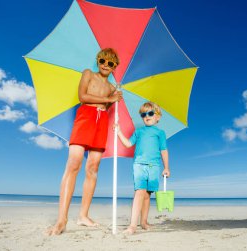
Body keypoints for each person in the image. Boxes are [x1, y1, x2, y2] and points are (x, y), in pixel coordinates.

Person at [47, 48, 123, 235]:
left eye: (111, 63)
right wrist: (109, 98)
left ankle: (83, 216)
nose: (106, 65)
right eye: (103, 60)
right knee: (73, 164)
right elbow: (83, 97)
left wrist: (116, 97)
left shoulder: (114, 88)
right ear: (98, 61)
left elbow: (111, 105)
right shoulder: (88, 73)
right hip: (85, 117)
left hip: (102, 121)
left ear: (115, 67)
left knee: (93, 168)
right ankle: (61, 219)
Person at [115, 102, 170, 234]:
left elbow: (163, 150)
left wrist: (166, 167)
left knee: (147, 195)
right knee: (139, 192)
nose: (147, 116)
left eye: (150, 113)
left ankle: (144, 221)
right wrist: (119, 132)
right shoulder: (139, 132)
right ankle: (133, 225)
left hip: (154, 166)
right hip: (139, 164)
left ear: (158, 117)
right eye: (143, 114)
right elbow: (128, 144)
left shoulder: (160, 133)